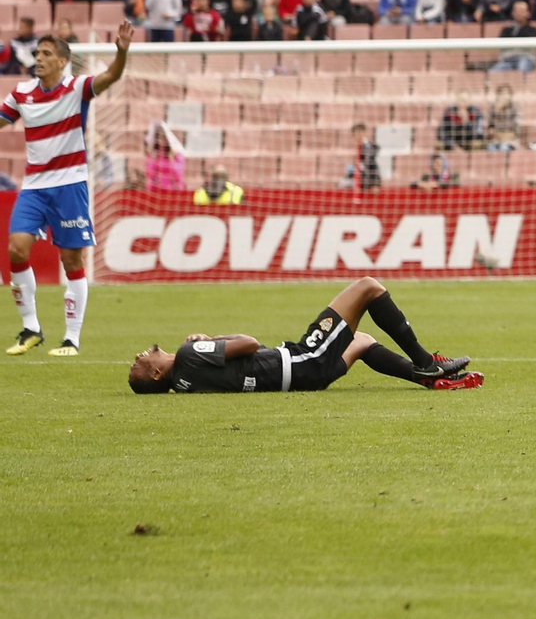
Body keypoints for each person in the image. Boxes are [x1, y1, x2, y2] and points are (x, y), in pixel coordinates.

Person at [3, 23, 133, 357]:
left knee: (71, 258)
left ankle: (71, 338)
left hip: (70, 185)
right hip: (33, 186)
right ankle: (31, 327)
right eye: (37, 53)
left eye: (46, 53)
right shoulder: (21, 93)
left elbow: (112, 77)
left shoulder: (78, 88)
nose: (39, 58)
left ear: (63, 61)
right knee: (17, 249)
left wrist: (121, 51)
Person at [126, 277, 480, 394]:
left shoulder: (187, 381)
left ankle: (428, 381)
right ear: (158, 373)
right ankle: (425, 364)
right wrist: (207, 340)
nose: (142, 354)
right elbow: (250, 343)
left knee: (363, 342)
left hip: (305, 378)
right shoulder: (187, 357)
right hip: (301, 360)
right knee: (368, 287)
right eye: (142, 362)